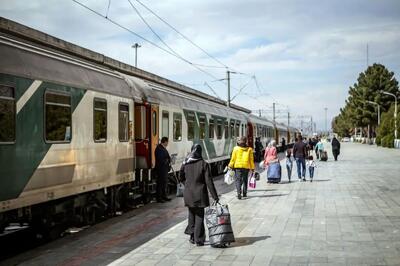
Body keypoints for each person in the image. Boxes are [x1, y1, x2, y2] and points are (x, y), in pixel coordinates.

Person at [180, 144, 219, 246]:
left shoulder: (185, 163)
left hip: (188, 194)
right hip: (200, 194)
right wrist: (215, 196)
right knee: (199, 216)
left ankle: (192, 237)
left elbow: (180, 177)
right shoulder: (203, 164)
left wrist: (187, 185)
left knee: (191, 215)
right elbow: (209, 182)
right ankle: (199, 239)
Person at [155, 137, 171, 203]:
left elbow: (166, 157)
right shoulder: (159, 148)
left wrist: (169, 159)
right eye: (167, 142)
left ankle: (164, 196)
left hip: (164, 168)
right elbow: (160, 159)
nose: (167, 143)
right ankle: (159, 198)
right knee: (160, 183)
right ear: (165, 142)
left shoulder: (163, 148)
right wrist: (167, 160)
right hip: (161, 169)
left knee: (164, 183)